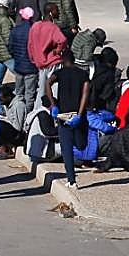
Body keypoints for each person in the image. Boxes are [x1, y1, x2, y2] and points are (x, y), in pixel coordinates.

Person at [48, 49, 90, 187]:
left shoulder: (59, 73)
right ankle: (71, 180)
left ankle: (71, 180)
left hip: (63, 115)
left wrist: (53, 104)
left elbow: (48, 83)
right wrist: (79, 113)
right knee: (81, 144)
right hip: (78, 115)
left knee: (66, 149)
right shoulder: (83, 74)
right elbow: (85, 93)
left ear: (61, 60)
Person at [27, 3, 66, 109]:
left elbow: (30, 45)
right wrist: (57, 51)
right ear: (51, 12)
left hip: (40, 64)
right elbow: (62, 40)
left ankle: (38, 110)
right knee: (53, 90)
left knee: (41, 90)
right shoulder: (53, 27)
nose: (58, 12)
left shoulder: (35, 26)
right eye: (56, 10)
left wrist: (34, 59)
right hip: (53, 63)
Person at [8, 7, 39, 109]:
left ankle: (18, 112)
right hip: (31, 67)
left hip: (19, 66)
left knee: (19, 93)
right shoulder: (34, 31)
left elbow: (10, 48)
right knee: (30, 94)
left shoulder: (15, 30)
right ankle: (28, 115)